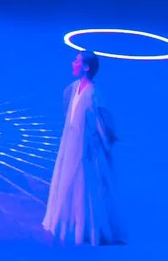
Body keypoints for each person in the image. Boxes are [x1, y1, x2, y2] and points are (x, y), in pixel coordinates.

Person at [43, 49, 122, 244]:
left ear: (86, 67)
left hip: (85, 147)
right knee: (67, 178)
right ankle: (67, 220)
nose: (73, 63)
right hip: (71, 142)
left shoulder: (93, 94)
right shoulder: (73, 88)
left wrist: (103, 140)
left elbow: (101, 121)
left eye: (77, 61)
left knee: (83, 182)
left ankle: (85, 227)